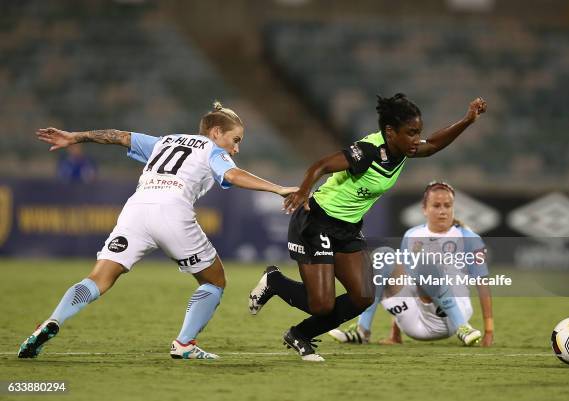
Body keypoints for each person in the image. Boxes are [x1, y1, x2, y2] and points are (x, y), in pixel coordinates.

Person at [18, 102, 297, 360]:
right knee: (215, 281)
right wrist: (278, 188)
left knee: (98, 278)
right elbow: (233, 175)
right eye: (235, 140)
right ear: (215, 132)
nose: (235, 149)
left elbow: (118, 136)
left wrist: (75, 137)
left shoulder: (165, 141)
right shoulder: (213, 150)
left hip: (136, 210)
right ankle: (184, 344)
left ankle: (53, 320)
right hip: (172, 211)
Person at [248, 94, 487, 361]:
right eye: (410, 133)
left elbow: (431, 145)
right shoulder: (370, 151)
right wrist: (304, 190)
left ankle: (300, 335)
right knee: (322, 304)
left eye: (417, 132)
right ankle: (275, 281)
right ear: (389, 132)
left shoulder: (403, 149)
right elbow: (322, 165)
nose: (415, 139)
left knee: (363, 297)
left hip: (348, 229)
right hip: (317, 222)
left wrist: (467, 120)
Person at [328, 181, 494, 347]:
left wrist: (489, 330)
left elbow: (482, 283)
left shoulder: (468, 237)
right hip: (414, 320)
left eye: (447, 205)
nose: (442, 211)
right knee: (383, 255)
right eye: (436, 206)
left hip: (451, 316)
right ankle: (362, 330)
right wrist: (395, 333)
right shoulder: (413, 234)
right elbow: (405, 280)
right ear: (424, 209)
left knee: (422, 262)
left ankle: (463, 327)